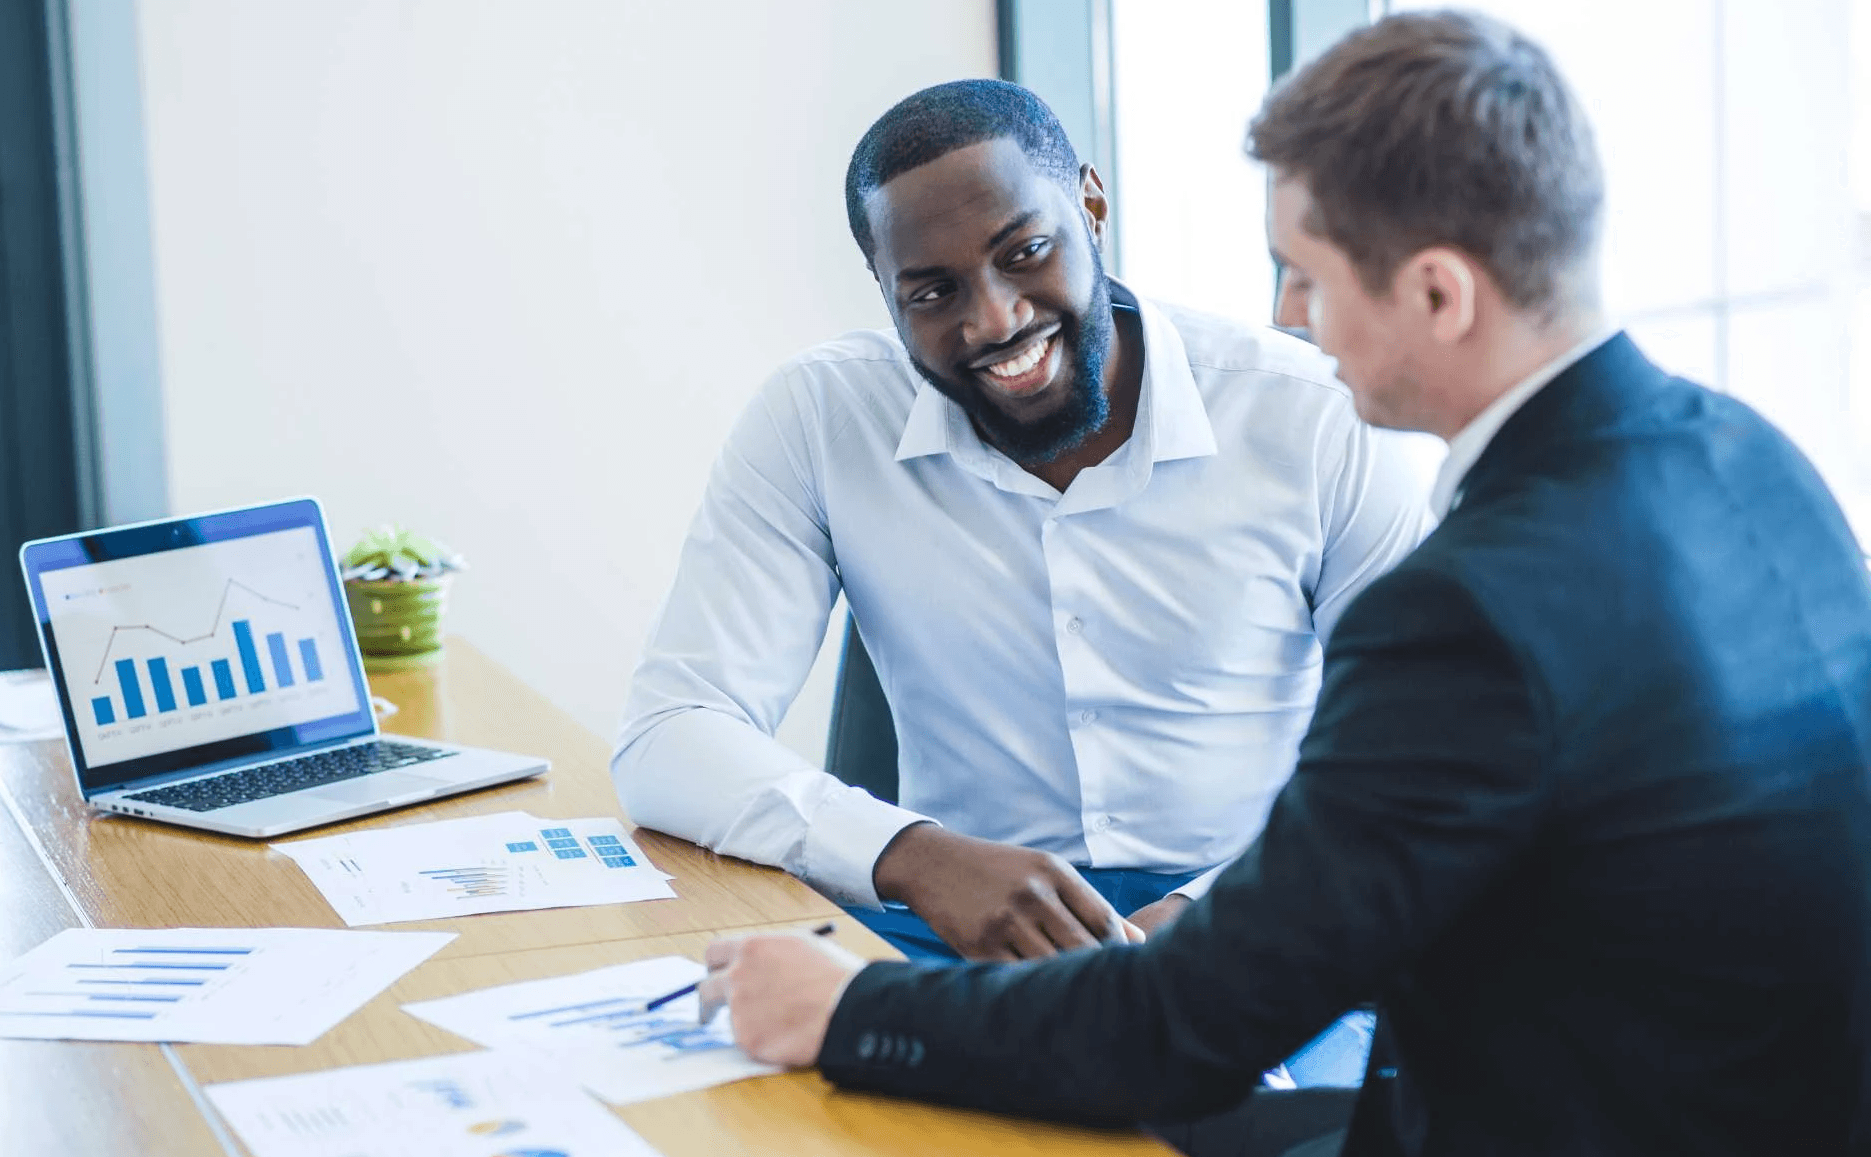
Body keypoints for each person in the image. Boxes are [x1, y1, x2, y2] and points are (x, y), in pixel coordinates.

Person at [699, 12, 1871, 1157]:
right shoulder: (1753, 456)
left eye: (1305, 274)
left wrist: (845, 1009)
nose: (1285, 315)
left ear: (1437, 294)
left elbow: (1182, 1030)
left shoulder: (1467, 611)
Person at [612, 75, 1432, 1009]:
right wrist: (915, 855)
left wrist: (1216, 913)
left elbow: (1420, 757)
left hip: (1263, 916)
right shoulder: (820, 416)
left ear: (1091, 206)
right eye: (933, 291)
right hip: (948, 931)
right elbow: (671, 733)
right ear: (884, 290)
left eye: (1025, 252)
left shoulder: (1316, 418)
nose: (994, 320)